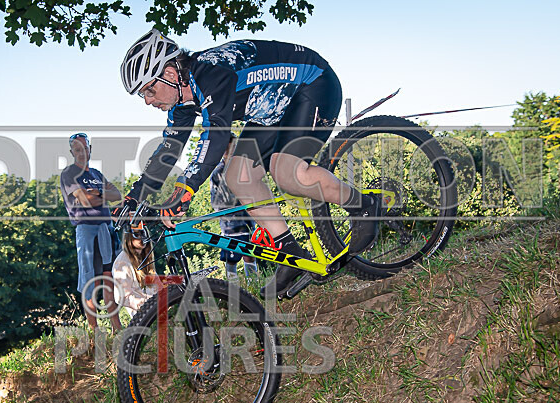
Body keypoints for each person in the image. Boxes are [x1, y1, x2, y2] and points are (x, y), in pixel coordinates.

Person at [118, 30, 384, 298]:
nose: (148, 100)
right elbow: (169, 149)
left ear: (171, 74)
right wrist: (134, 196)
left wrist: (185, 189)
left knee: (288, 174)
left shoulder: (211, 72)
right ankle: (290, 254)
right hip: (271, 108)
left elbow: (217, 133)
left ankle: (363, 206)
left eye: (149, 89)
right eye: (144, 95)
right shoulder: (183, 102)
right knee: (238, 176)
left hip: (312, 84)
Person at [60, 133, 123, 332]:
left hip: (106, 228)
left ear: (90, 149)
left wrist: (98, 194)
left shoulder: (96, 174)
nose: (82, 153)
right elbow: (85, 200)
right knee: (89, 282)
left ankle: (116, 328)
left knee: (108, 279)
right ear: (72, 152)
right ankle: (94, 331)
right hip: (87, 230)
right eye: (77, 149)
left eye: (85, 148)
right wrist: (100, 195)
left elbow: (117, 194)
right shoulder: (69, 174)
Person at [210, 137, 258, 280]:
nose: (231, 153)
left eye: (234, 148)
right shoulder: (218, 173)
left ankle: (254, 284)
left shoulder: (245, 168)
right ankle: (231, 289)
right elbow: (217, 203)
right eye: (227, 150)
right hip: (230, 223)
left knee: (249, 255)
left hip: (248, 220)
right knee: (231, 257)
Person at [112, 223, 157, 317]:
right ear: (129, 236)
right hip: (143, 317)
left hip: (156, 311)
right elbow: (121, 297)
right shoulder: (122, 263)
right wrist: (148, 304)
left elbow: (157, 287)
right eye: (137, 234)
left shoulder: (146, 258)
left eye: (143, 233)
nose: (142, 237)